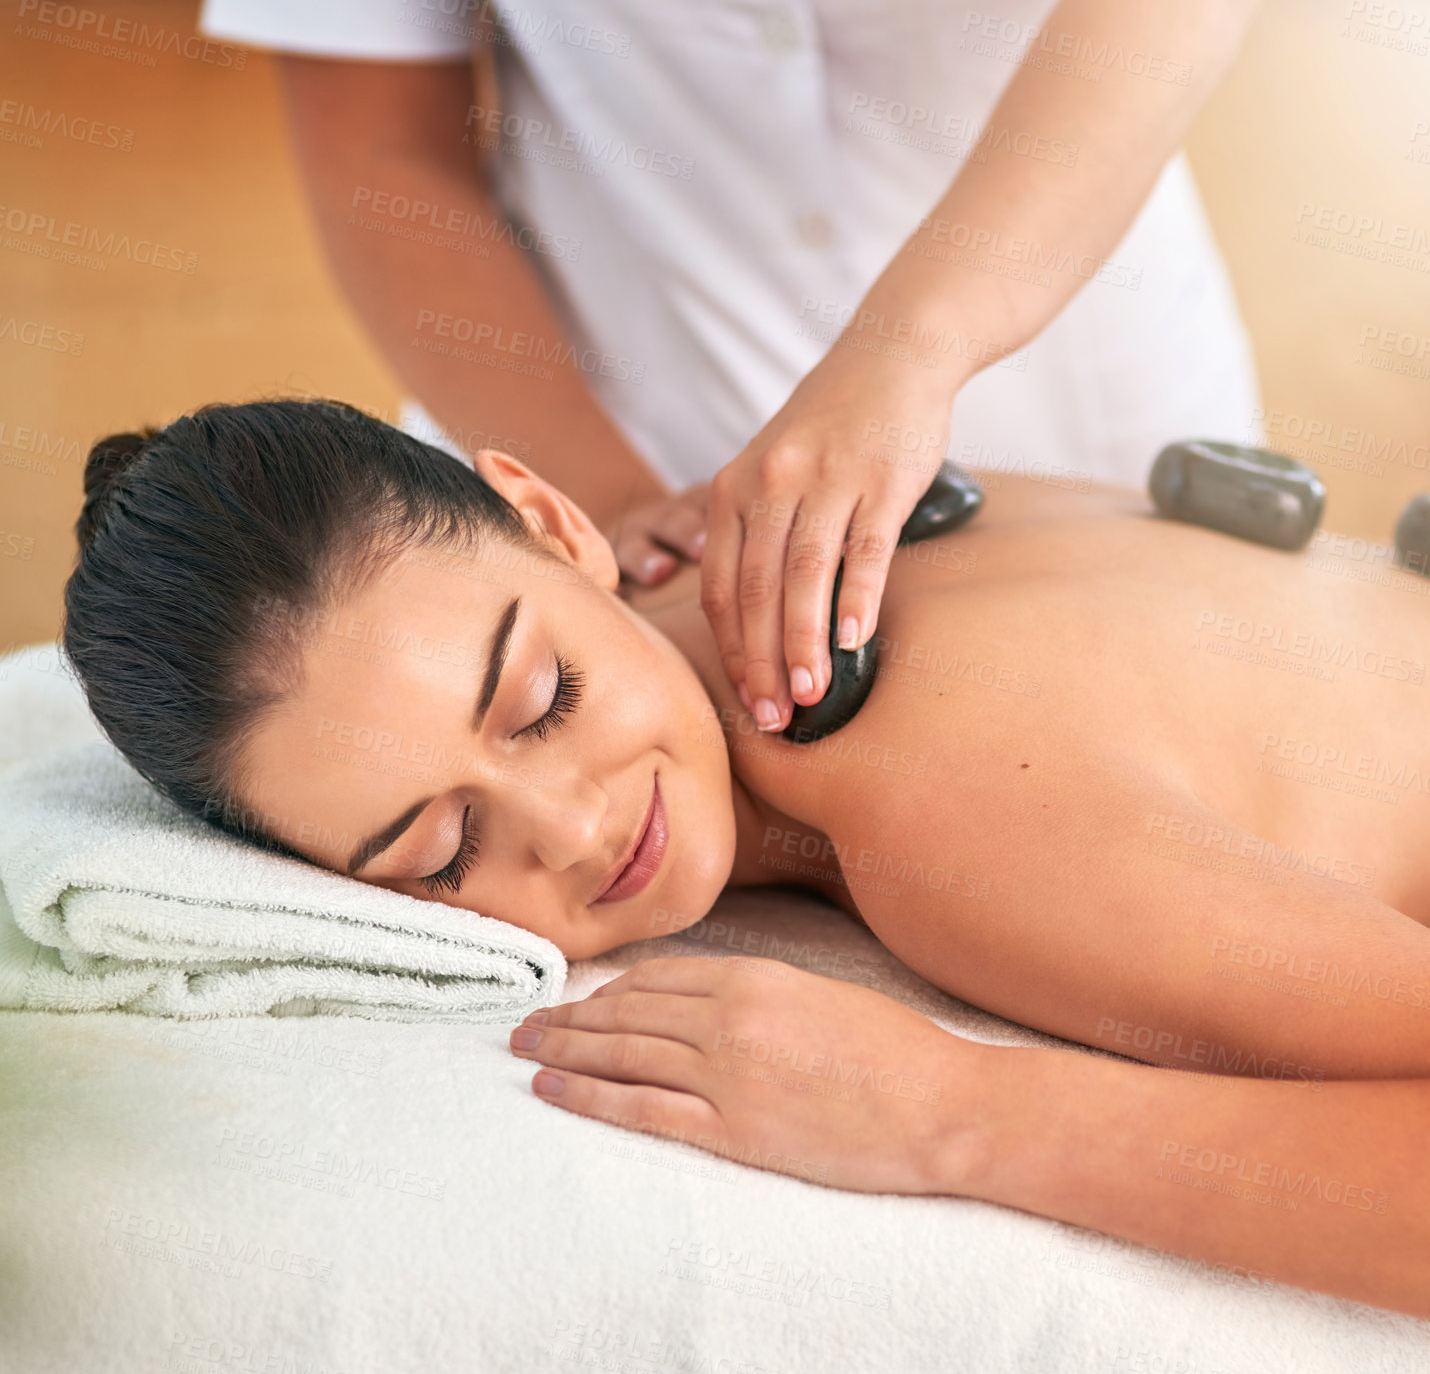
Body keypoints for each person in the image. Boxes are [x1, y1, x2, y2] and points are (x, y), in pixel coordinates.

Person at [63, 399, 1430, 1316]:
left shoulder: (944, 818)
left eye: (544, 698)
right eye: (441, 850)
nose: (580, 830)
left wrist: (956, 1114)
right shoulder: (753, 539)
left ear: (553, 522)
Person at [199, 0, 1271, 734]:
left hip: (1078, 375)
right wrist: (614, 505)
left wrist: (909, 346)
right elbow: (381, 144)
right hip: (607, 449)